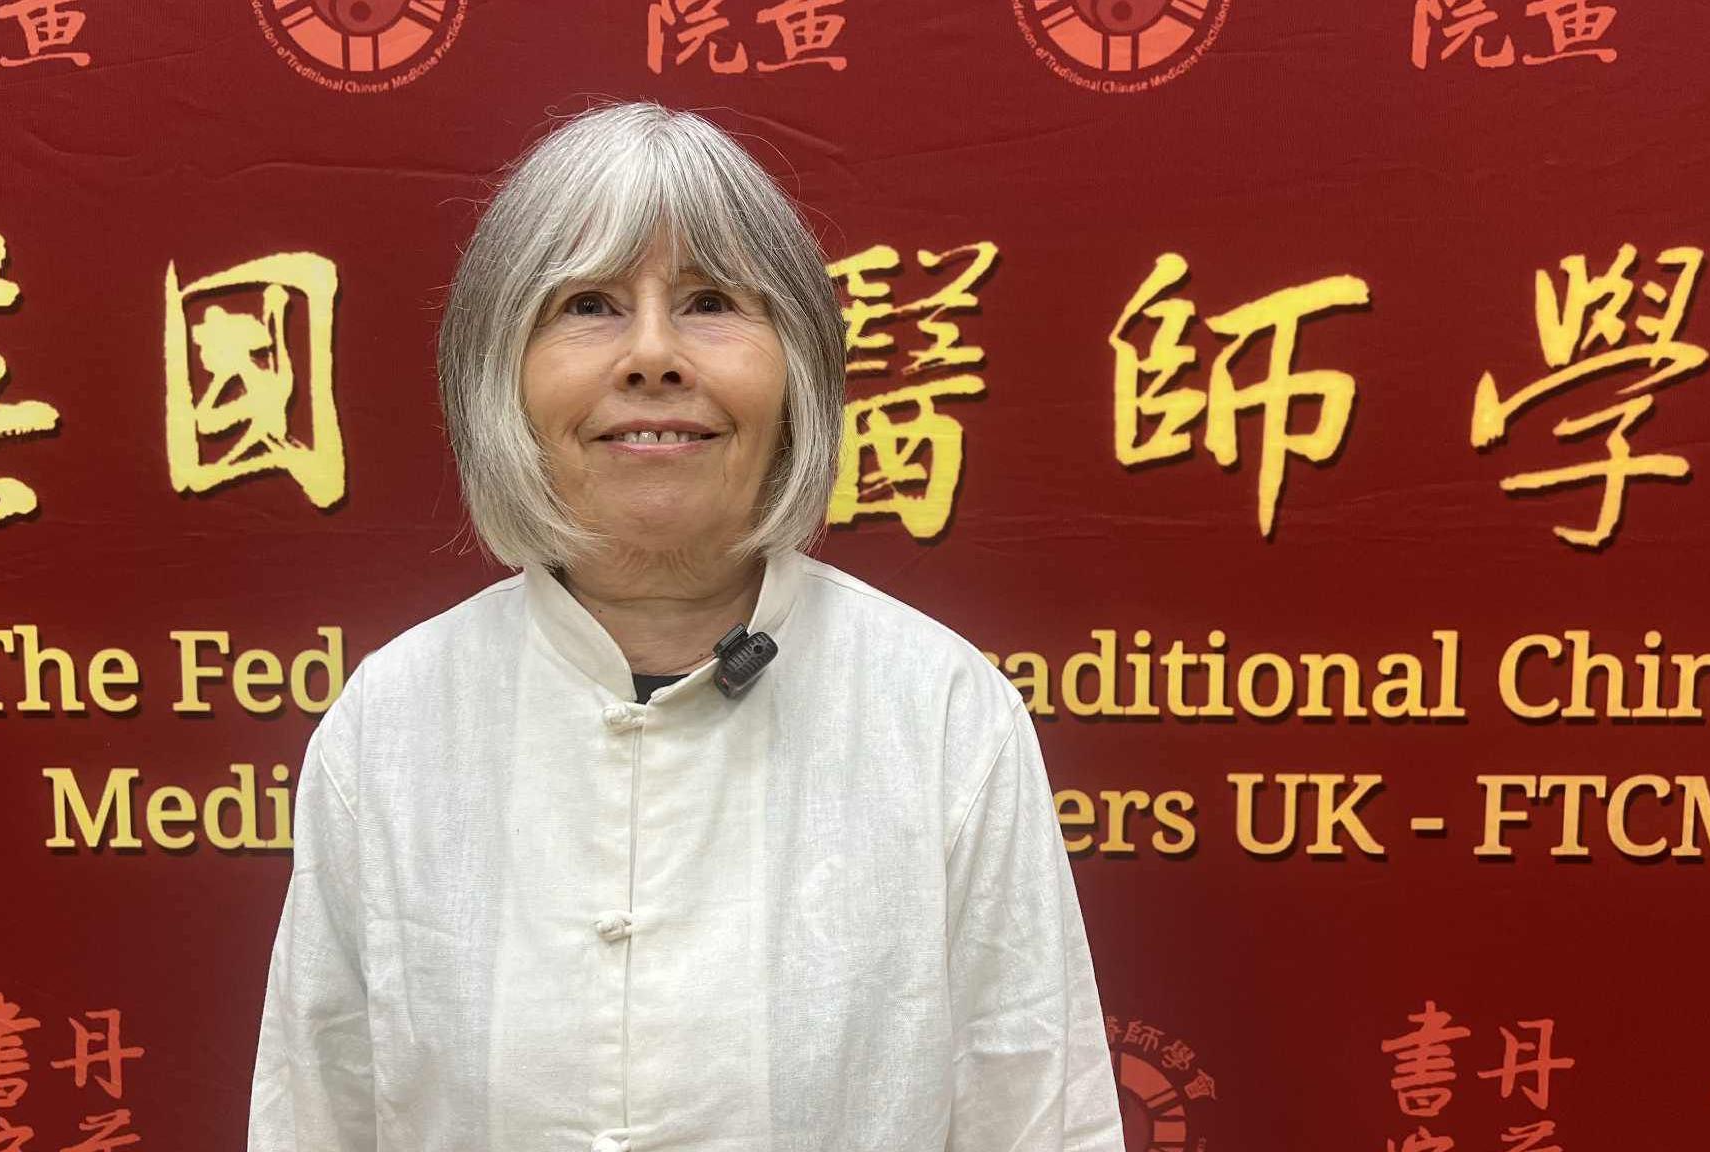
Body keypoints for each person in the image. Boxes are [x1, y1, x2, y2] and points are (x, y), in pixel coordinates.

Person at [247, 100, 1123, 1152]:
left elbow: (1035, 1116)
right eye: (587, 305)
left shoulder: (938, 712)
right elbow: (316, 1115)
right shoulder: (389, 725)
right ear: (499, 378)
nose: (652, 356)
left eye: (710, 301)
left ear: (797, 373)